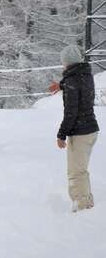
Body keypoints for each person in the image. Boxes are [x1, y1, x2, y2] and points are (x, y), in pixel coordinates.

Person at [50, 45, 99, 212]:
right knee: (81, 169)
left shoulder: (72, 80)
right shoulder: (86, 75)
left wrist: (61, 135)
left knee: (76, 172)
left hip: (80, 132)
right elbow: (77, 85)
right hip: (91, 129)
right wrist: (62, 85)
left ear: (67, 63)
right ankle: (87, 202)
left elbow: (71, 112)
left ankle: (82, 207)